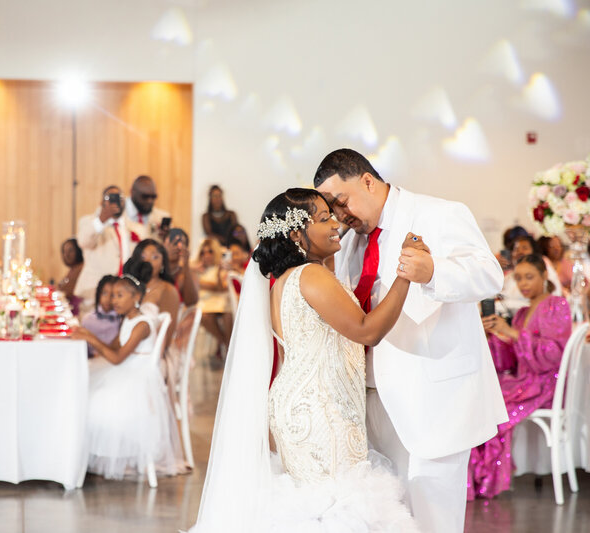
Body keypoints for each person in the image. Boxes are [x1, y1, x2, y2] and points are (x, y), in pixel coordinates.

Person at [190, 188, 421, 532]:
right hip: (320, 412)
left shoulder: (287, 280)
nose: (335, 223)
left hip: (306, 405)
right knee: (336, 507)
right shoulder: (310, 277)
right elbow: (367, 331)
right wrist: (406, 274)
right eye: (324, 217)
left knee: (321, 506)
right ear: (297, 233)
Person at [315, 148, 507, 533]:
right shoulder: (354, 239)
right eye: (332, 209)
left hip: (433, 396)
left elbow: (490, 275)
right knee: (392, 516)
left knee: (434, 517)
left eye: (342, 201)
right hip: (373, 400)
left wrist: (433, 271)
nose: (339, 215)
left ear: (367, 180)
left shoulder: (438, 213)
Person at [71, 263, 185, 480]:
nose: (114, 300)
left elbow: (117, 358)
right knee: (84, 384)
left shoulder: (141, 325)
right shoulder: (128, 318)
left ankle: (95, 454)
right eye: (113, 295)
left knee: (94, 400)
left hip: (137, 375)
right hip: (126, 367)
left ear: (136, 298)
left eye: (120, 295)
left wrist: (90, 338)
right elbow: (114, 345)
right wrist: (88, 337)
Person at [470, 254, 571, 499]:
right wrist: (493, 336)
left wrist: (514, 333)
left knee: (492, 407)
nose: (524, 284)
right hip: (524, 381)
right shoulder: (521, 313)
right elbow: (509, 362)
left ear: (544, 276)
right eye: (519, 278)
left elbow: (554, 353)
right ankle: (477, 477)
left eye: (529, 277)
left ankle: (486, 478)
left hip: (546, 383)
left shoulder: (557, 305)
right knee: (478, 397)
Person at [74, 185, 137, 312]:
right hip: (94, 294)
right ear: (102, 202)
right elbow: (83, 241)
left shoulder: (134, 227)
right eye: (110, 198)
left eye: (120, 198)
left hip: (124, 297)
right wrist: (102, 219)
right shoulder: (89, 222)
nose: (116, 201)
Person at [125, 239, 180, 342]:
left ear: (163, 263)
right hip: (127, 345)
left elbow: (167, 335)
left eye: (155, 257)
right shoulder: (130, 287)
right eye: (143, 257)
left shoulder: (167, 290)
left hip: (154, 350)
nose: (148, 262)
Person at [499, 234, 562, 316]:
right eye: (516, 249)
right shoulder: (510, 275)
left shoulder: (544, 268)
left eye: (524, 248)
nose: (520, 252)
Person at [194, 238, 232, 359]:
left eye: (210, 251)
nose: (206, 255)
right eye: (203, 252)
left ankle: (228, 346)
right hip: (205, 304)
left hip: (220, 301)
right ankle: (225, 343)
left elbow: (220, 288)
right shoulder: (196, 268)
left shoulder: (220, 268)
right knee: (204, 316)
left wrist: (218, 274)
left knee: (228, 312)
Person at [80, 275, 121, 357]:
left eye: (113, 295)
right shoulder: (87, 319)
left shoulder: (121, 321)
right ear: (98, 293)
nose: (108, 299)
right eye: (104, 293)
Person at [125, 175, 171, 241]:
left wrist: (166, 238)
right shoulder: (118, 215)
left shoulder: (160, 217)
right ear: (132, 192)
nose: (150, 201)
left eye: (153, 197)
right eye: (145, 196)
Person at [163, 228, 199, 306]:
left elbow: (191, 302)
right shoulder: (155, 270)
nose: (175, 247)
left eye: (180, 243)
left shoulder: (186, 274)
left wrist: (186, 265)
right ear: (163, 244)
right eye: (172, 242)